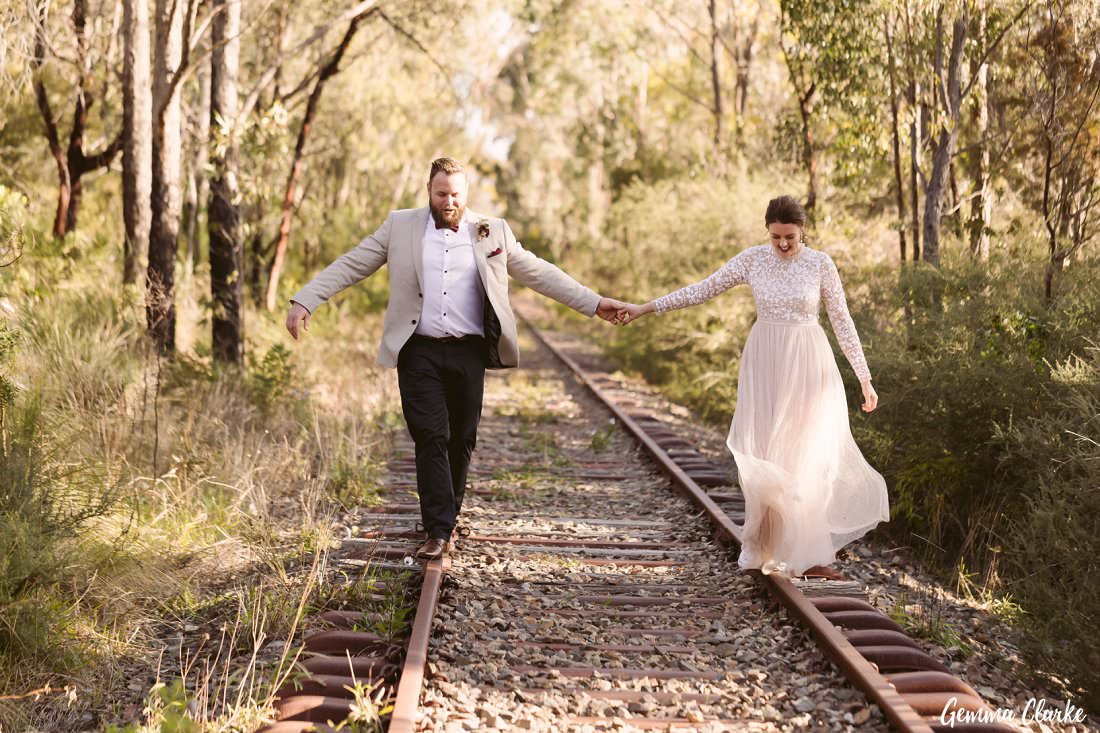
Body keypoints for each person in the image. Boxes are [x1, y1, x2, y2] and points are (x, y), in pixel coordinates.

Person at [286, 157, 625, 560]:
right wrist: (307, 299)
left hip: (468, 350)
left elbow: (539, 272)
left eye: (456, 195)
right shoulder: (401, 226)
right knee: (431, 435)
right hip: (419, 348)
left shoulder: (490, 230)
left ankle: (448, 514)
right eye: (441, 193)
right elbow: (353, 263)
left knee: (461, 438)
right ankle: (438, 529)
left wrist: (594, 303)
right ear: (429, 191)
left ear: (466, 194)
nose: (449, 202)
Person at [613, 195, 889, 578]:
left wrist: (864, 376)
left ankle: (803, 550)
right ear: (768, 232)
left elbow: (842, 320)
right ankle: (760, 544)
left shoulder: (820, 264)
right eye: (776, 237)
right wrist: (646, 307)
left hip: (808, 362)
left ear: (802, 230)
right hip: (765, 361)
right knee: (762, 450)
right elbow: (702, 290)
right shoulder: (753, 260)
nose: (783, 245)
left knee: (804, 452)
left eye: (790, 236)